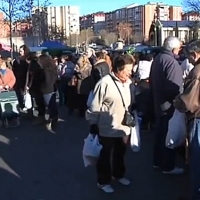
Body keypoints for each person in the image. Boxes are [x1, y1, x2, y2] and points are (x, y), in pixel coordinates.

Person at [86, 54, 135, 193]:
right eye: (127, 70)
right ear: (118, 69)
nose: (130, 73)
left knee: (120, 153)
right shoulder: (104, 83)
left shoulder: (128, 82)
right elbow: (94, 106)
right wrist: (93, 123)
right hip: (106, 127)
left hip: (123, 126)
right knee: (104, 156)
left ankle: (118, 174)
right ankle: (103, 181)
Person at [149, 36, 184, 174]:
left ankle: (157, 162)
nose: (180, 50)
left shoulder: (158, 59)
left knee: (160, 135)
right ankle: (167, 166)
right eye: (180, 48)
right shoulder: (172, 62)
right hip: (168, 105)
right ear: (174, 48)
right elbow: (173, 88)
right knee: (168, 136)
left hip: (158, 102)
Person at [174, 40, 200, 200]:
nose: (188, 61)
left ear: (195, 54)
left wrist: (177, 101)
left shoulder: (197, 72)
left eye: (188, 57)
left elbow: (188, 101)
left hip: (198, 119)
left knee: (196, 161)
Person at [12, 45, 30, 109]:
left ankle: (29, 111)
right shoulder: (16, 61)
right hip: (18, 81)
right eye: (19, 51)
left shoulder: (28, 60)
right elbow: (14, 71)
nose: (20, 53)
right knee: (20, 96)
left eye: (21, 51)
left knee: (28, 97)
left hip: (27, 81)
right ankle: (22, 108)